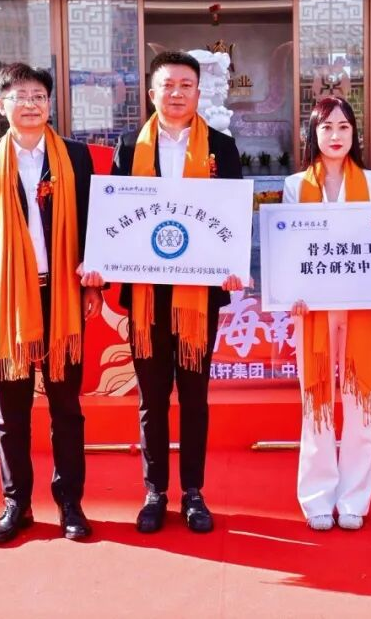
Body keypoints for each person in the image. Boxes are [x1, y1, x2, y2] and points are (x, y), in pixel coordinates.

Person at [0, 63, 103, 545]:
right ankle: (16, 503)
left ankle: (70, 502)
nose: (31, 104)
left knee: (66, 408)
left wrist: (93, 286)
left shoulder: (75, 157)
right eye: (20, 96)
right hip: (8, 303)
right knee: (12, 411)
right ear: (1, 105)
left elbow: (93, 225)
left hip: (61, 296)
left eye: (39, 95)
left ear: (50, 104)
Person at [111, 50, 244, 534]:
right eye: (167, 85)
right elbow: (114, 218)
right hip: (147, 294)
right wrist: (102, 260)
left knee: (193, 397)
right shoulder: (129, 147)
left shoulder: (221, 148)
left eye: (186, 85)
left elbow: (230, 216)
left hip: (197, 295)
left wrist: (232, 265)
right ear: (152, 93)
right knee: (151, 400)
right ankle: (155, 492)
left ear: (198, 93)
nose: (176, 93)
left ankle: (193, 493)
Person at [283, 96, 371, 531]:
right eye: (326, 127)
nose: (335, 135)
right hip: (313, 310)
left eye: (343, 127)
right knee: (316, 404)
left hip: (361, 307)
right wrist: (289, 290)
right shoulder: (295, 186)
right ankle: (316, 498)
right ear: (313, 133)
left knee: (360, 405)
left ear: (354, 134)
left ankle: (353, 499)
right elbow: (288, 248)